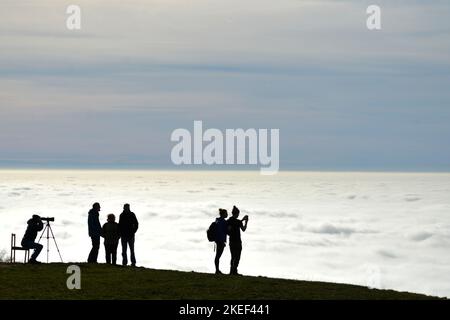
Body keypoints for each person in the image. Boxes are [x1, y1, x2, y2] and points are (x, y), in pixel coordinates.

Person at [227, 206, 248, 275]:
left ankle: (231, 271)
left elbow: (229, 230)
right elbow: (243, 229)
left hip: (231, 241)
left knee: (233, 256)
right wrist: (246, 222)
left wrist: (242, 220)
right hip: (237, 241)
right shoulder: (238, 222)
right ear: (237, 213)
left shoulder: (229, 220)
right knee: (237, 256)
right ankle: (234, 271)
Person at [214, 208, 228, 274]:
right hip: (220, 240)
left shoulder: (217, 220)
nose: (227, 214)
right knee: (218, 256)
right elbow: (226, 231)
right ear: (223, 214)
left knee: (217, 256)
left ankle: (217, 270)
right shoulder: (224, 222)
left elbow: (216, 228)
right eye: (226, 213)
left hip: (217, 240)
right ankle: (217, 270)